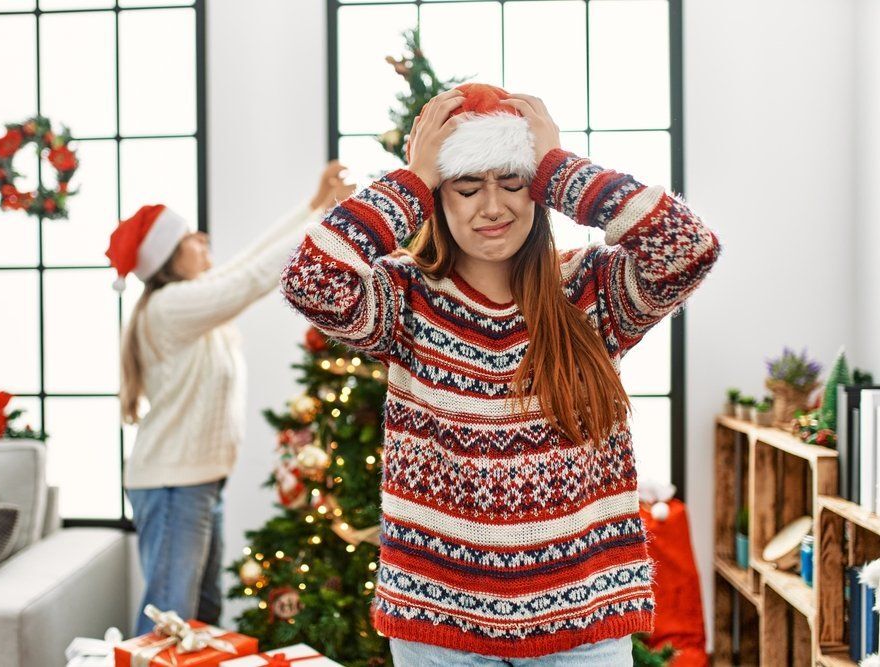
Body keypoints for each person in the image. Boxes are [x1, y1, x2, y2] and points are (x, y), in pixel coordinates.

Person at [280, 84, 721, 666]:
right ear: (440, 197)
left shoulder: (589, 292)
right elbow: (310, 280)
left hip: (583, 626)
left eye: (513, 182)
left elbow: (689, 247)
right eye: (466, 186)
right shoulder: (406, 298)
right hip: (437, 630)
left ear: (538, 191)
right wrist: (412, 179)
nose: (494, 206)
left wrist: (560, 167)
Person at [108, 163, 353, 636]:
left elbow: (246, 262)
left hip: (195, 482)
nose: (203, 238)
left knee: (200, 611)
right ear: (168, 260)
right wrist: (332, 221)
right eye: (190, 238)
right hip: (173, 486)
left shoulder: (191, 297)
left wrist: (315, 206)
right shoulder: (173, 306)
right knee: (170, 616)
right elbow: (251, 279)